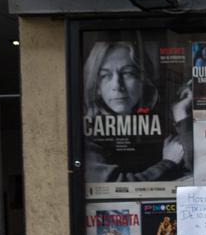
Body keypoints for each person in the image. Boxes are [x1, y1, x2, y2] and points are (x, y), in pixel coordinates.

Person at [82, 41, 192, 183]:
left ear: (143, 80)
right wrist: (168, 163)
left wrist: (181, 113)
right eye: (105, 76)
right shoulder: (89, 132)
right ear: (97, 87)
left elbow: (197, 167)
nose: (117, 86)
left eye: (127, 73)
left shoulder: (156, 123)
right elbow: (116, 185)